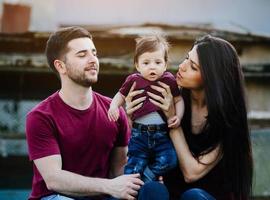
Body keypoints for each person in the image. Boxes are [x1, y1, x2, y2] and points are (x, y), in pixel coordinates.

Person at [125, 35, 253, 200]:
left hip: (206, 196)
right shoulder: (172, 97)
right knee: (151, 190)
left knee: (193, 197)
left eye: (193, 66)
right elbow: (144, 147)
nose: (182, 66)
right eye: (186, 58)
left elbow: (191, 173)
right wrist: (132, 116)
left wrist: (172, 120)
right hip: (172, 194)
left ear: (212, 78)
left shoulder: (229, 121)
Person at [25, 26, 145, 200]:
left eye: (94, 53)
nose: (93, 60)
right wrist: (109, 186)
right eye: (82, 55)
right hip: (55, 197)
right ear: (61, 66)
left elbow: (119, 170)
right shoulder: (40, 117)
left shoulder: (114, 110)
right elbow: (54, 180)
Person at [108, 35, 184, 183]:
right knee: (133, 167)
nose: (152, 67)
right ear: (137, 65)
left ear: (165, 64)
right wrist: (113, 106)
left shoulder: (169, 80)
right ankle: (132, 188)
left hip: (161, 134)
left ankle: (148, 176)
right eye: (146, 63)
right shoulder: (133, 80)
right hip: (139, 135)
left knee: (170, 160)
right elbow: (121, 95)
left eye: (157, 62)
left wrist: (178, 117)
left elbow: (178, 99)